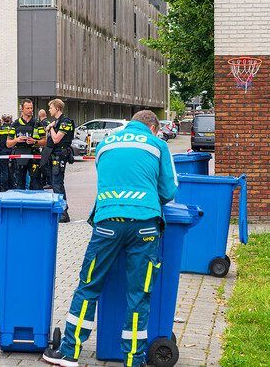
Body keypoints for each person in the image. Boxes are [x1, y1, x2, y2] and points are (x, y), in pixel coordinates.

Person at [43, 110, 178, 367]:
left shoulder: (105, 143)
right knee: (139, 294)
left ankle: (69, 352)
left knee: (89, 286)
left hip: (107, 223)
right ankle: (133, 360)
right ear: (152, 128)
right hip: (145, 227)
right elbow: (169, 191)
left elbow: (107, 178)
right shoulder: (158, 144)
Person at [44, 99, 75, 223]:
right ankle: (60, 211)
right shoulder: (57, 122)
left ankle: (63, 213)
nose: (49, 110)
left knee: (57, 183)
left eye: (51, 108)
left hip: (60, 155)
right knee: (54, 183)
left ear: (57, 108)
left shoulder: (65, 122)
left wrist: (51, 127)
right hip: (54, 155)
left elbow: (56, 139)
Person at [7, 99, 46, 190]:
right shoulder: (15, 124)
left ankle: (36, 202)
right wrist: (16, 140)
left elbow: (45, 142)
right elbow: (8, 144)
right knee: (20, 183)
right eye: (27, 108)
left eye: (31, 108)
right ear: (22, 109)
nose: (30, 110)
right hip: (19, 155)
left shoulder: (37, 123)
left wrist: (35, 142)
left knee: (36, 183)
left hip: (34, 154)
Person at [0, 114, 14, 192]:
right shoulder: (12, 128)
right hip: (12, 150)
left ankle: (4, 188)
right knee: (12, 170)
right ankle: (12, 186)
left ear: (2, 120)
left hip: (3, 151)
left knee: (4, 170)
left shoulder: (0, 128)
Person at [38, 109, 52, 188]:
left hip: (44, 146)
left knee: (44, 165)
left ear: (39, 115)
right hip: (49, 146)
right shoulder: (49, 122)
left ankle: (48, 182)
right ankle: (47, 182)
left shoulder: (42, 123)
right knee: (48, 165)